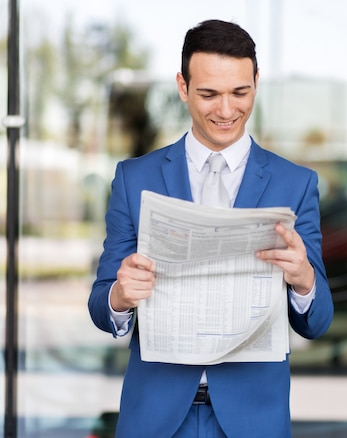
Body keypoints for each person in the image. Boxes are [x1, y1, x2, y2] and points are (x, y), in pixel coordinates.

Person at [88, 19, 334, 438]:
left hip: (253, 421)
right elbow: (101, 305)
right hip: (156, 418)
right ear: (183, 87)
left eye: (240, 92)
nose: (226, 110)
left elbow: (319, 320)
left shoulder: (295, 184)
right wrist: (119, 296)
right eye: (209, 94)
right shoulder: (134, 178)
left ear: (257, 81)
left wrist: (304, 279)